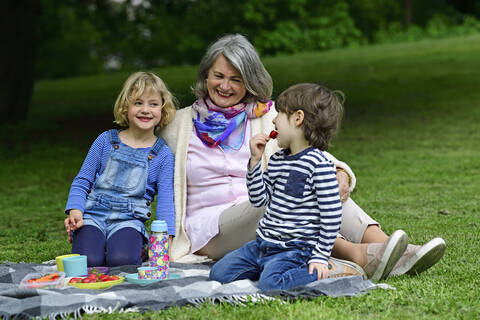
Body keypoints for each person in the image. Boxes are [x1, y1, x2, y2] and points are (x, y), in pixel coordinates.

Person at [159, 34, 445, 278]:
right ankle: (357, 254)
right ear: (205, 75)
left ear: (250, 82)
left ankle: (391, 250)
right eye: (218, 76)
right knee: (280, 197)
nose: (225, 86)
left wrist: (339, 174)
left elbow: (307, 152)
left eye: (236, 79)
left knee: (320, 185)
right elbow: (140, 146)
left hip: (266, 209)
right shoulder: (178, 125)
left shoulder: (265, 116)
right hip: (211, 230)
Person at [209, 83, 410, 290]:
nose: (274, 120)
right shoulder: (278, 160)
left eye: (279, 114)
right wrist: (254, 163)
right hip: (263, 245)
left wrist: (321, 256)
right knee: (219, 274)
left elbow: (331, 217)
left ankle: (333, 269)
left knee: (272, 285)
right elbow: (259, 199)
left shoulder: (319, 165)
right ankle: (271, 268)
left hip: (296, 250)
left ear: (298, 118)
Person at [64, 72, 176, 267]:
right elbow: (82, 181)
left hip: (129, 221)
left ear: (163, 109)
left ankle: (131, 247)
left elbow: (166, 200)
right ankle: (96, 243)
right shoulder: (105, 141)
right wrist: (75, 210)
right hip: (93, 216)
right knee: (89, 262)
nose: (145, 110)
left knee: (122, 262)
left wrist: (166, 243)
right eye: (138, 103)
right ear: (126, 107)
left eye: (153, 104)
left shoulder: (163, 155)